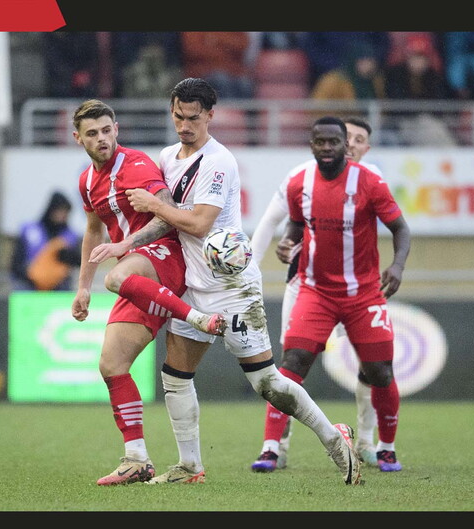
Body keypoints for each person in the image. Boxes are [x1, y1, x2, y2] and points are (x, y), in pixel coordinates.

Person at [123, 77, 362, 485]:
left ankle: (334, 439)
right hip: (193, 286)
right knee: (175, 376)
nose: (184, 126)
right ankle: (189, 466)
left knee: (266, 383)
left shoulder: (219, 161)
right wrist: (129, 243)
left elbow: (199, 223)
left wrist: (151, 204)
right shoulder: (166, 156)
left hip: (232, 287)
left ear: (210, 116)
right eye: (178, 117)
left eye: (193, 118)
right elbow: (168, 223)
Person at [68, 99, 228, 486]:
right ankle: (136, 459)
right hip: (136, 272)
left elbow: (166, 214)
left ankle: (197, 318)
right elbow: (93, 231)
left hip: (163, 255)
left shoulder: (136, 164)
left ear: (117, 130)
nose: (102, 139)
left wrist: (126, 245)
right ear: (78, 139)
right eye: (93, 133)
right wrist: (83, 287)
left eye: (107, 130)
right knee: (111, 365)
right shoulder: (87, 182)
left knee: (116, 278)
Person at [248, 116, 411, 474]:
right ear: (311, 144)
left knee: (380, 371)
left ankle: (385, 448)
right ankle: (272, 448)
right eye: (319, 142)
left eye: (333, 142)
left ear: (344, 146)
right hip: (315, 291)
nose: (326, 148)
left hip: (363, 294)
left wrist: (397, 266)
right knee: (291, 364)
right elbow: (296, 222)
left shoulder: (369, 182)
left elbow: (400, 228)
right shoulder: (299, 182)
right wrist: (288, 242)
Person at [9, 191, 82, 291]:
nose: (62, 216)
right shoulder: (30, 231)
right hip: (30, 284)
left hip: (57, 286)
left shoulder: (69, 237)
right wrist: (33, 276)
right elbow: (16, 263)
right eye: (60, 211)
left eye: (65, 212)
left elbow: (78, 261)